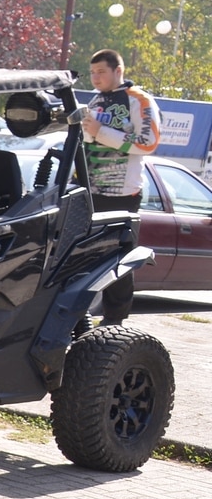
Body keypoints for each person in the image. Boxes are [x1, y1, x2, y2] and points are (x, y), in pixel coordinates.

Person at [75, 49, 161, 323]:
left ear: (118, 71)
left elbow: (148, 143)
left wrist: (102, 132)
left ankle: (115, 321)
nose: (96, 77)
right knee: (80, 256)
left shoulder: (140, 100)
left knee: (117, 259)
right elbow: (88, 138)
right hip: (88, 189)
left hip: (121, 194)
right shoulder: (96, 99)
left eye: (101, 72)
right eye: (92, 72)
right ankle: (77, 316)